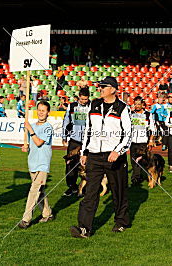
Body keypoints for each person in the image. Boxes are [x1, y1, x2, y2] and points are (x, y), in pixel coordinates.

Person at [70, 77, 131, 238]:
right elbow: (88, 130)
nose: (100, 89)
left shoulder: (123, 108)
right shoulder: (94, 105)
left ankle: (121, 221)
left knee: (118, 190)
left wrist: (117, 151)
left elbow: (128, 134)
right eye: (100, 86)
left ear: (113, 89)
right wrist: (84, 152)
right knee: (90, 192)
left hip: (114, 157)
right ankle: (84, 228)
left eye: (103, 86)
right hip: (95, 155)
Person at [18, 101, 54, 228]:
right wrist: (26, 146)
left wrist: (30, 130)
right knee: (40, 191)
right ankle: (47, 213)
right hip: (32, 162)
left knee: (34, 191)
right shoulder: (32, 126)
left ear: (48, 112)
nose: (40, 113)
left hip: (42, 163)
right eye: (39, 110)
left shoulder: (48, 127)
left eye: (43, 110)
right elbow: (32, 144)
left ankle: (26, 219)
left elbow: (39, 142)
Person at [62, 87, 91, 196]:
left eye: (86, 99)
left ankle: (87, 188)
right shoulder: (72, 106)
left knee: (88, 165)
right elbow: (66, 121)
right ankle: (71, 187)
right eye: (82, 99)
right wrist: (64, 136)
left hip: (87, 142)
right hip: (74, 140)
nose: (84, 101)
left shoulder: (92, 106)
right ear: (79, 97)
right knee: (70, 165)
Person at [130, 96, 154, 185]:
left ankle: (137, 178)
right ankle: (136, 177)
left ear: (143, 105)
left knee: (141, 160)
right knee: (133, 161)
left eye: (139, 104)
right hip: (133, 141)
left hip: (143, 141)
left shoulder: (148, 115)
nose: (137, 106)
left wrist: (151, 140)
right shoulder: (131, 114)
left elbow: (152, 129)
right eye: (135, 104)